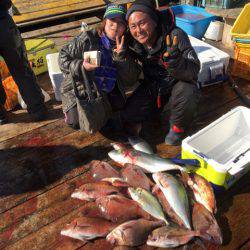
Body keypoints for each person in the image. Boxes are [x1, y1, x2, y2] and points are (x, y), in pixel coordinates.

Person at [123, 0, 201, 145]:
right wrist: (120, 55)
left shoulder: (176, 35)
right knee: (129, 116)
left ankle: (177, 128)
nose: (138, 30)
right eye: (133, 26)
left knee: (189, 91)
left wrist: (175, 62)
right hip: (153, 86)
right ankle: (155, 112)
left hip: (177, 83)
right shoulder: (132, 42)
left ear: (154, 20)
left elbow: (194, 69)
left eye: (142, 23)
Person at [59, 4, 141, 131]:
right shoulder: (87, 38)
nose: (115, 26)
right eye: (112, 21)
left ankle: (103, 107)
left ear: (125, 27)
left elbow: (130, 80)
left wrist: (121, 57)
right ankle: (71, 109)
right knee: (75, 122)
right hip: (81, 86)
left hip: (106, 88)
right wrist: (82, 66)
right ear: (105, 21)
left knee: (117, 109)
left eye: (121, 23)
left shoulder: (127, 45)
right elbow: (62, 58)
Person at [0, 0, 47, 125]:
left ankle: (1, 116)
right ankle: (38, 110)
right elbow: (7, 4)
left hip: (4, 23)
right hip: (4, 25)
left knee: (21, 69)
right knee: (21, 70)